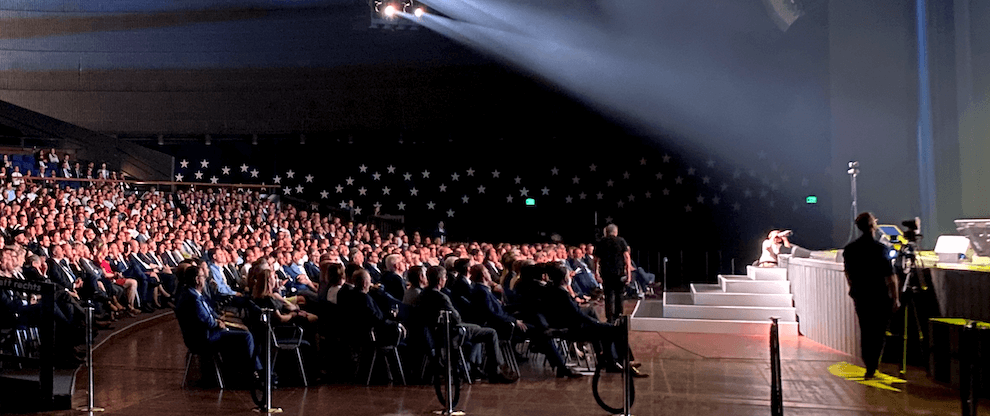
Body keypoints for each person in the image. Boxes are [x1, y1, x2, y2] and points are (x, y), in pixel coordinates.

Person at [843, 212, 900, 379]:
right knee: (879, 331)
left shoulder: (850, 249)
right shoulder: (881, 249)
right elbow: (890, 277)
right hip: (879, 295)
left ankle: (869, 364)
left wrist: (853, 289)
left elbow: (848, 273)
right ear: (873, 226)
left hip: (861, 294)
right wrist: (896, 298)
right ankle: (873, 364)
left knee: (866, 330)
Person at [593, 224, 632, 323]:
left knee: (608, 295)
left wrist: (596, 273)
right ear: (616, 232)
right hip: (619, 272)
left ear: (605, 232)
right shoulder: (621, 241)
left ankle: (609, 318)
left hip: (606, 272)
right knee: (619, 294)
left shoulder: (600, 242)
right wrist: (629, 273)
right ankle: (619, 315)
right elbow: (627, 257)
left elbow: (596, 259)